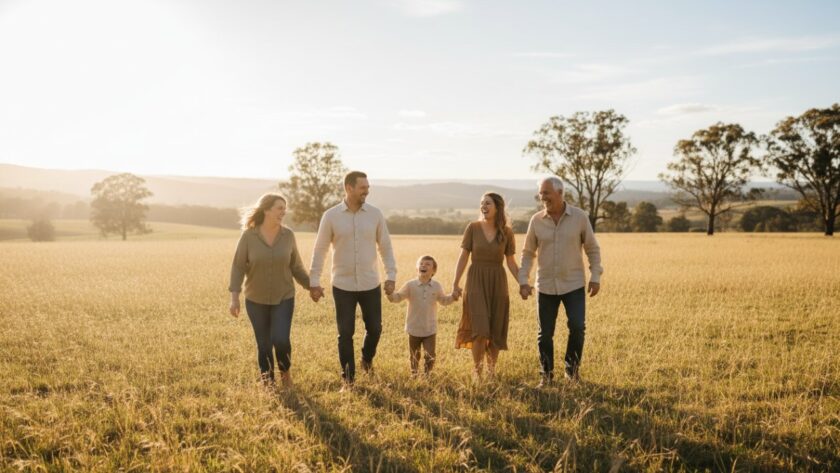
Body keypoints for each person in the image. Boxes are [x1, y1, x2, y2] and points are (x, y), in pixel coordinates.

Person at [309, 171, 397, 390]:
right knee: (345, 333)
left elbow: (385, 246)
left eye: (367, 187)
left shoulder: (375, 214)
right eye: (362, 187)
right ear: (349, 188)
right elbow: (320, 249)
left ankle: (367, 360)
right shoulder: (330, 216)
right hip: (343, 285)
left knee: (375, 328)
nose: (367, 190)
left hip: (370, 283)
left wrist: (391, 275)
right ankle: (348, 379)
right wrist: (314, 280)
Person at [518, 177, 602, 387]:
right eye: (540, 193)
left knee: (577, 327)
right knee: (544, 333)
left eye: (546, 192)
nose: (542, 197)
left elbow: (592, 248)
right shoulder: (536, 220)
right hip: (545, 285)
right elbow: (528, 253)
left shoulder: (579, 217)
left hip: (573, 284)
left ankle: (571, 372)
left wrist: (595, 276)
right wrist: (523, 279)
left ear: (560, 193)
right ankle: (546, 376)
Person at [229, 193, 310, 387]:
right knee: (264, 343)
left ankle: (285, 374)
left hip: (284, 297)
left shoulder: (288, 235)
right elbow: (238, 266)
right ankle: (267, 381)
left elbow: (296, 266)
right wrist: (234, 298)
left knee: (281, 339)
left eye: (285, 208)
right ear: (266, 210)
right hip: (255, 299)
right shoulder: (249, 236)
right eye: (279, 208)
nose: (284, 212)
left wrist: (311, 286)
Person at [453, 192, 519, 381]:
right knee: (480, 329)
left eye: (488, 203)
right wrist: (455, 283)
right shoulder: (472, 228)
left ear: (498, 207)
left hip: (498, 282)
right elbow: (463, 256)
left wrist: (523, 283)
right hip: (475, 281)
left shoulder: (506, 232)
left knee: (495, 328)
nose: (484, 206)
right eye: (482, 203)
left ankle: (491, 372)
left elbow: (512, 262)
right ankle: (477, 371)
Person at [387, 255, 457, 377]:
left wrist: (453, 297)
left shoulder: (436, 286)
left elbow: (443, 300)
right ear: (417, 268)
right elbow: (397, 297)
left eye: (428, 264)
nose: (423, 265)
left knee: (430, 354)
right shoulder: (410, 285)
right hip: (413, 327)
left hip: (430, 328)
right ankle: (414, 374)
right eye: (421, 263)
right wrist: (390, 293)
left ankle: (427, 374)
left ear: (433, 271)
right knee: (414, 355)